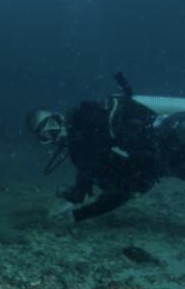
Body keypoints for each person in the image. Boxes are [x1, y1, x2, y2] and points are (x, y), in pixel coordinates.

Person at [25, 72, 185, 222]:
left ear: (58, 116)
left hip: (167, 133)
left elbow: (91, 143)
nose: (55, 134)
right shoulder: (81, 159)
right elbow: (121, 194)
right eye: (46, 135)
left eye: (52, 125)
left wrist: (82, 186)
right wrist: (77, 215)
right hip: (169, 165)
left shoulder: (85, 115)